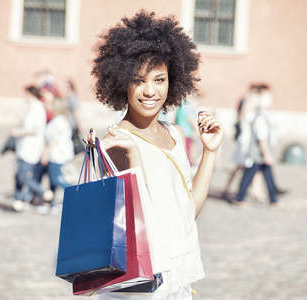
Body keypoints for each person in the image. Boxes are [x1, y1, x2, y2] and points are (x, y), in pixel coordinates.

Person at [88, 11, 224, 299]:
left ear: (172, 81)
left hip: (176, 281)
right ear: (122, 82)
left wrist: (210, 152)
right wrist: (135, 160)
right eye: (139, 80)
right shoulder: (118, 144)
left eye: (159, 80)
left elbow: (187, 213)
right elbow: (139, 227)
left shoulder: (174, 133)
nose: (150, 91)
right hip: (138, 289)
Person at [233, 83, 281, 206]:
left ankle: (273, 198)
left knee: (267, 174)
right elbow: (261, 138)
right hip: (257, 154)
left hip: (259, 153)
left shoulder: (262, 115)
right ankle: (239, 198)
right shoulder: (259, 117)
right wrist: (266, 154)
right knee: (248, 176)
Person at [10, 85, 53, 212]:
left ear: (30, 94)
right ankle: (17, 200)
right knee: (18, 175)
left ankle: (43, 192)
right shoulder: (32, 108)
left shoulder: (38, 108)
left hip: (31, 148)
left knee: (23, 176)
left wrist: (19, 132)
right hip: (24, 147)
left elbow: (36, 129)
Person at [37, 99, 74, 214]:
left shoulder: (57, 122)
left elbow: (52, 140)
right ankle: (51, 204)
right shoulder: (62, 120)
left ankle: (74, 192)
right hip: (61, 153)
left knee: (55, 179)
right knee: (52, 181)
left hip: (57, 155)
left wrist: (45, 154)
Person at [175, 100, 198, 166]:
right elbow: (190, 119)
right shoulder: (187, 105)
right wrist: (196, 130)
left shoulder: (180, 105)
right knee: (187, 152)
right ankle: (189, 167)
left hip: (180, 132)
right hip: (186, 133)